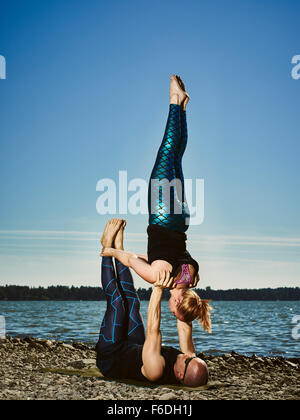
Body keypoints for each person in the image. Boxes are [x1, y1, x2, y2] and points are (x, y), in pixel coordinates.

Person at [101, 75, 212, 329]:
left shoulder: (190, 277)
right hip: (163, 215)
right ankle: (174, 100)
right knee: (165, 152)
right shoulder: (159, 278)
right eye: (174, 312)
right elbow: (130, 261)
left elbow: (154, 256)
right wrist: (111, 251)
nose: (170, 311)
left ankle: (182, 107)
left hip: (181, 219)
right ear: (176, 304)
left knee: (176, 157)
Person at [96, 219, 209, 386]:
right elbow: (184, 321)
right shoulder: (187, 358)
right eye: (193, 357)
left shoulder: (156, 370)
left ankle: (107, 248)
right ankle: (119, 248)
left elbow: (153, 330)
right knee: (133, 303)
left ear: (179, 374)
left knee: (119, 303)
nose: (187, 356)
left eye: (187, 361)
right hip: (135, 346)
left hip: (111, 355)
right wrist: (185, 281)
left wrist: (157, 289)